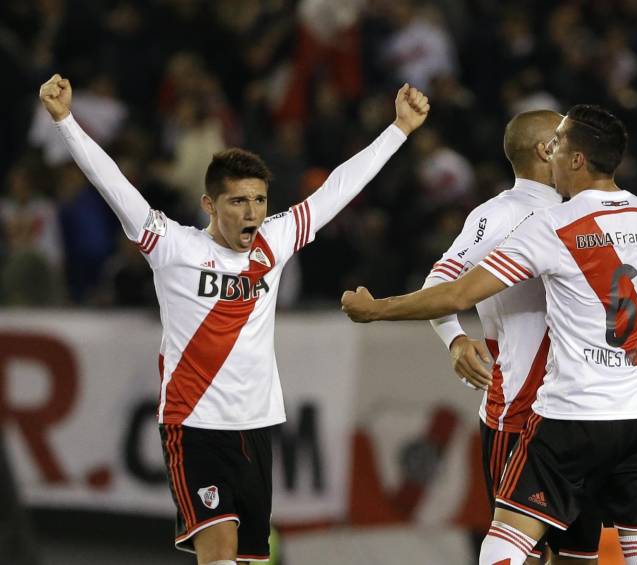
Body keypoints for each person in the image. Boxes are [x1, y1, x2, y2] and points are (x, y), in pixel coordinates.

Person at [341, 104, 637, 565]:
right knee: (630, 552)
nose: (556, 150)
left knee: (510, 544)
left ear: (572, 157)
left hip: (565, 414)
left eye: (564, 142)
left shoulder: (553, 225)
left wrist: (376, 310)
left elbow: (455, 293)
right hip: (634, 410)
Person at [39, 73, 429, 565]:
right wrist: (65, 121)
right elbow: (112, 182)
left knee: (247, 559)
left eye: (260, 200)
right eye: (238, 201)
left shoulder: (275, 241)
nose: (253, 213)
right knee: (219, 551)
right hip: (193, 424)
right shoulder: (173, 246)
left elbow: (338, 188)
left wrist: (398, 129)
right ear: (210, 204)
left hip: (257, 426)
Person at [423, 110, 600, 564]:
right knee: (520, 552)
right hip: (521, 413)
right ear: (546, 150)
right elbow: (438, 283)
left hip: (582, 412)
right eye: (566, 137)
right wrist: (456, 340)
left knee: (579, 556)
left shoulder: (583, 210)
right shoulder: (499, 215)